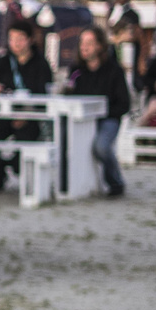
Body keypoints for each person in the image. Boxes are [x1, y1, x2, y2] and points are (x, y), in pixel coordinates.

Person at [0, 19, 52, 192]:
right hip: (5, 114)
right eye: (12, 39)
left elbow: (44, 94)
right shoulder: (3, 60)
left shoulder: (41, 63)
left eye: (20, 38)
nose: (16, 43)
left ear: (30, 40)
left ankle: (15, 167)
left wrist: (26, 114)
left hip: (31, 117)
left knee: (27, 138)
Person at [65, 25, 131, 197]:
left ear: (100, 46)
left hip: (108, 118)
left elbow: (124, 104)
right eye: (82, 43)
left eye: (89, 43)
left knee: (101, 147)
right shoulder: (76, 71)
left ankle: (115, 181)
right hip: (80, 120)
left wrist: (103, 112)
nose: (84, 47)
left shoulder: (114, 70)